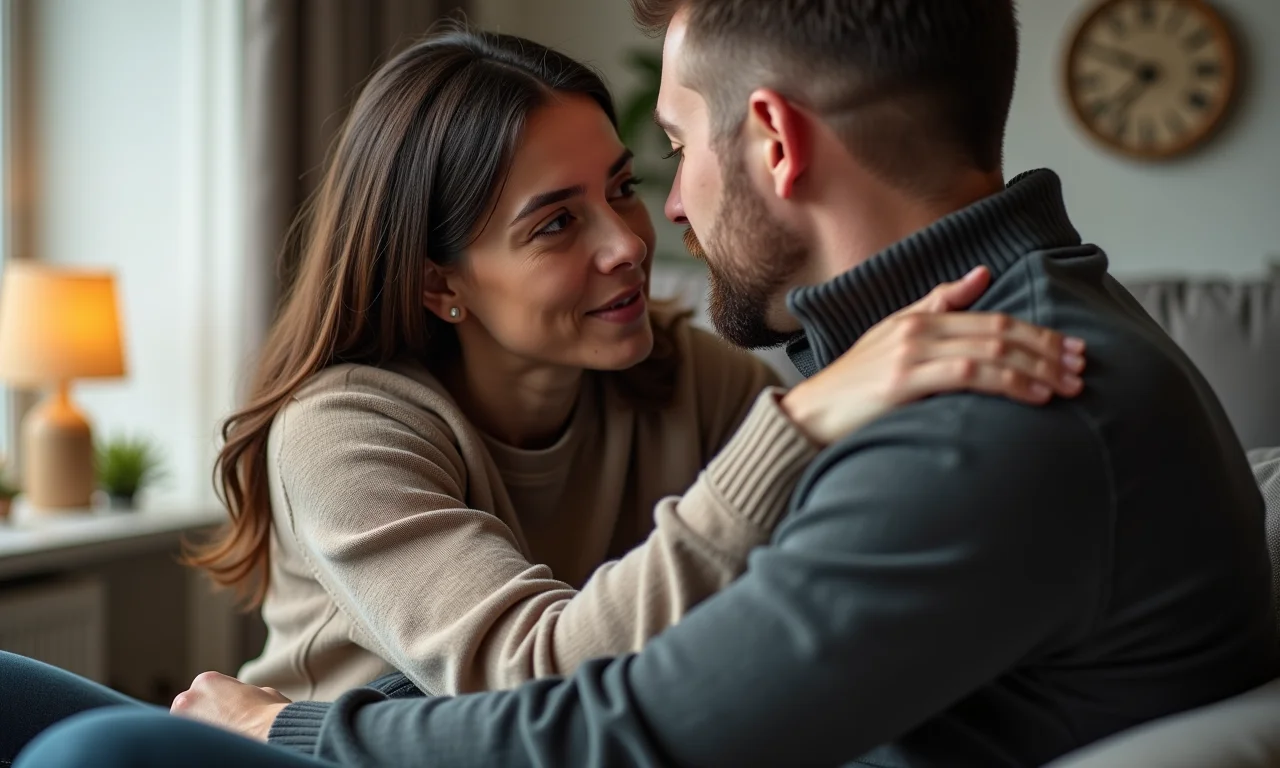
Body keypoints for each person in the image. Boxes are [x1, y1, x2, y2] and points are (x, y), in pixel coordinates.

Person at [15, 0, 1278, 763]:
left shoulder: (975, 413)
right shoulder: (347, 424)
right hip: (388, 724)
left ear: (770, 139)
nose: (646, 230)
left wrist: (278, 730)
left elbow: (620, 728)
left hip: (388, 746)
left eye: (651, 163)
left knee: (98, 750)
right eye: (554, 222)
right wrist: (799, 417)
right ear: (439, 284)